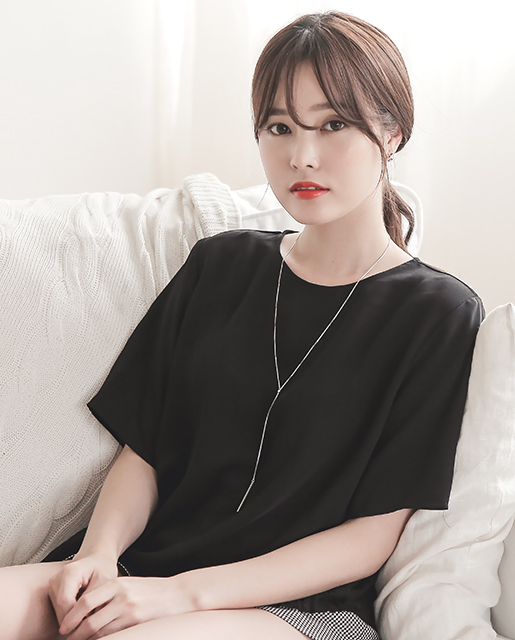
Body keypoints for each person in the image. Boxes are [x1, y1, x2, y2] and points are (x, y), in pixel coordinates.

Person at [0, 10, 484, 640]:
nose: (302, 156)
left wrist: (178, 597)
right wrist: (98, 555)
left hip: (302, 609)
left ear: (391, 133)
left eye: (333, 124)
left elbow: (371, 536)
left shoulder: (437, 314)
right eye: (280, 128)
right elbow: (145, 450)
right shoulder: (221, 265)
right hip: (144, 571)